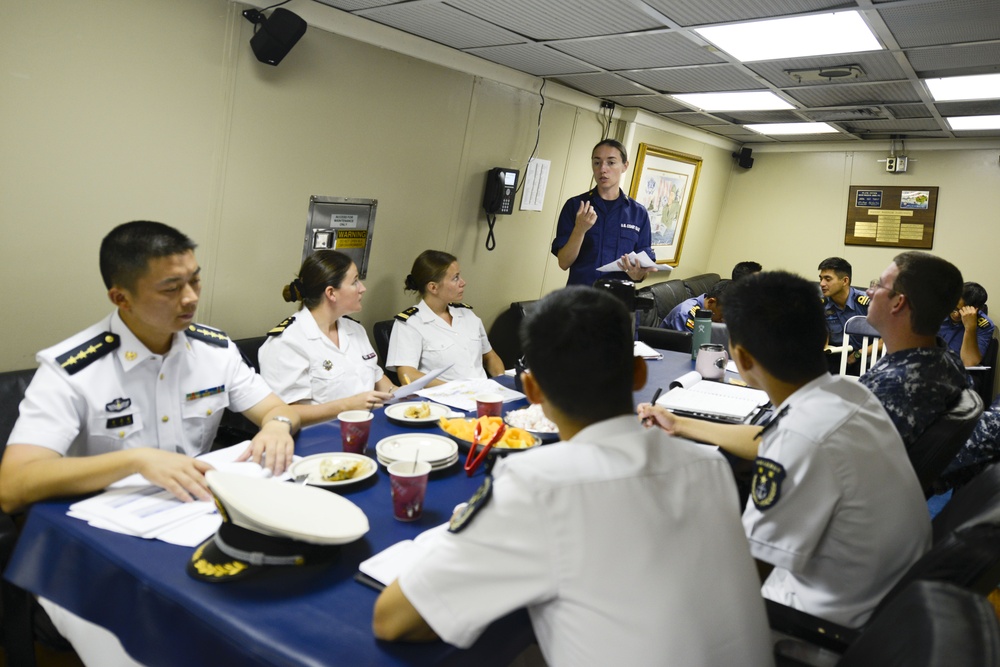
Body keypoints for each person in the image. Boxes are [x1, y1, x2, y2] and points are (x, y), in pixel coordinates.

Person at [373, 286, 774, 666]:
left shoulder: (537, 484)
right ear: (638, 374)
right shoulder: (708, 465)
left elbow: (392, 620)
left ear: (531, 390)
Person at [0, 220, 300, 666]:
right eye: (171, 287)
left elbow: (278, 409)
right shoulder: (72, 370)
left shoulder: (214, 350)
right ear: (120, 297)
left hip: (198, 521)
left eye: (195, 279)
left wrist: (276, 425)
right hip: (98, 547)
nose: (192, 297)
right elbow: (14, 484)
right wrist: (136, 460)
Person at [639, 271, 930, 628]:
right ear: (823, 337)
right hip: (883, 602)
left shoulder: (801, 439)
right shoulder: (848, 392)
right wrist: (681, 423)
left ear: (741, 359)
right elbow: (769, 439)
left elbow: (745, 569)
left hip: (814, 622)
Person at [259, 250, 396, 426]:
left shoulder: (355, 330)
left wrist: (410, 394)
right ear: (331, 293)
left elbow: (382, 384)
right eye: (354, 282)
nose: (363, 288)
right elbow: (282, 413)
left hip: (366, 428)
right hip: (318, 439)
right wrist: (347, 406)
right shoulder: (287, 342)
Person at [860, 252, 971, 450]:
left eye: (878, 284)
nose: (869, 292)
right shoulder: (945, 359)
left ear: (898, 303)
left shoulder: (894, 386)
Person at [386, 250, 504, 386]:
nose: (463, 282)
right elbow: (407, 375)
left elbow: (489, 356)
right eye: (455, 278)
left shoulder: (467, 315)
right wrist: (455, 389)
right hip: (445, 400)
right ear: (433, 287)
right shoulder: (410, 324)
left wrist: (500, 381)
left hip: (483, 396)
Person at [550, 139, 656, 287]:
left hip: (619, 302)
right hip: (581, 300)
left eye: (611, 163)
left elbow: (644, 269)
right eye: (597, 162)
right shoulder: (576, 206)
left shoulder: (638, 213)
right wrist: (580, 229)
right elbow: (564, 262)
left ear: (625, 166)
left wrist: (638, 275)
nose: (603, 169)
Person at [818, 257, 870, 371]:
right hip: (835, 354)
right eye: (821, 278)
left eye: (828, 279)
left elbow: (887, 338)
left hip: (866, 354)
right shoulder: (821, 305)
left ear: (845, 281)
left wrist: (859, 354)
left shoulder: (867, 303)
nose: (822, 284)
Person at [938, 281, 994, 367]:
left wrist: (970, 328)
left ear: (976, 310)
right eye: (955, 308)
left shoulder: (984, 325)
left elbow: (969, 362)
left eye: (962, 311)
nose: (956, 314)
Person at [660, 279, 731, 330]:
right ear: (711, 302)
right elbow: (693, 347)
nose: (723, 320)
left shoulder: (712, 311)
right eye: (722, 315)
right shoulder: (687, 314)